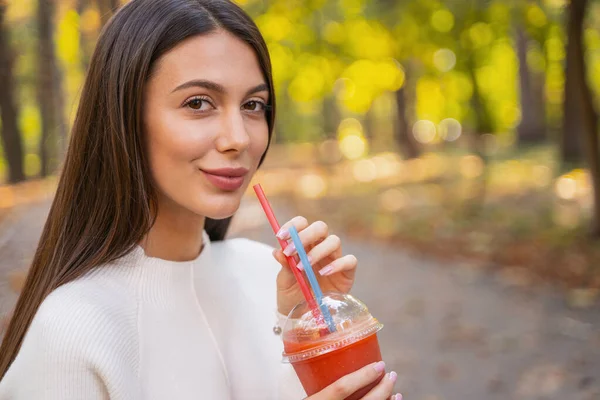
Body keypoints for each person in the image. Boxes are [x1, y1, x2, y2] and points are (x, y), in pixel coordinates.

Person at [0, 1, 402, 399]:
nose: (239, 138)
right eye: (198, 103)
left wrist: (306, 323)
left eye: (253, 105)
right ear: (123, 118)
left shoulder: (267, 277)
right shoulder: (72, 330)